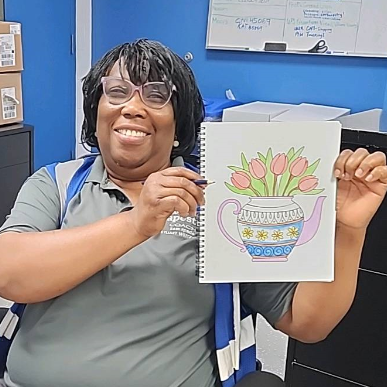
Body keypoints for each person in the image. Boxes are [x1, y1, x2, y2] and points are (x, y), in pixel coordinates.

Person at [0, 39, 386, 387]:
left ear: (179, 120)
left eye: (155, 95)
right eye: (117, 92)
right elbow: (9, 274)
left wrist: (349, 230)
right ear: (95, 111)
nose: (132, 107)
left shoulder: (219, 198)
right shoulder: (57, 184)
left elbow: (306, 322)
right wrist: (136, 223)